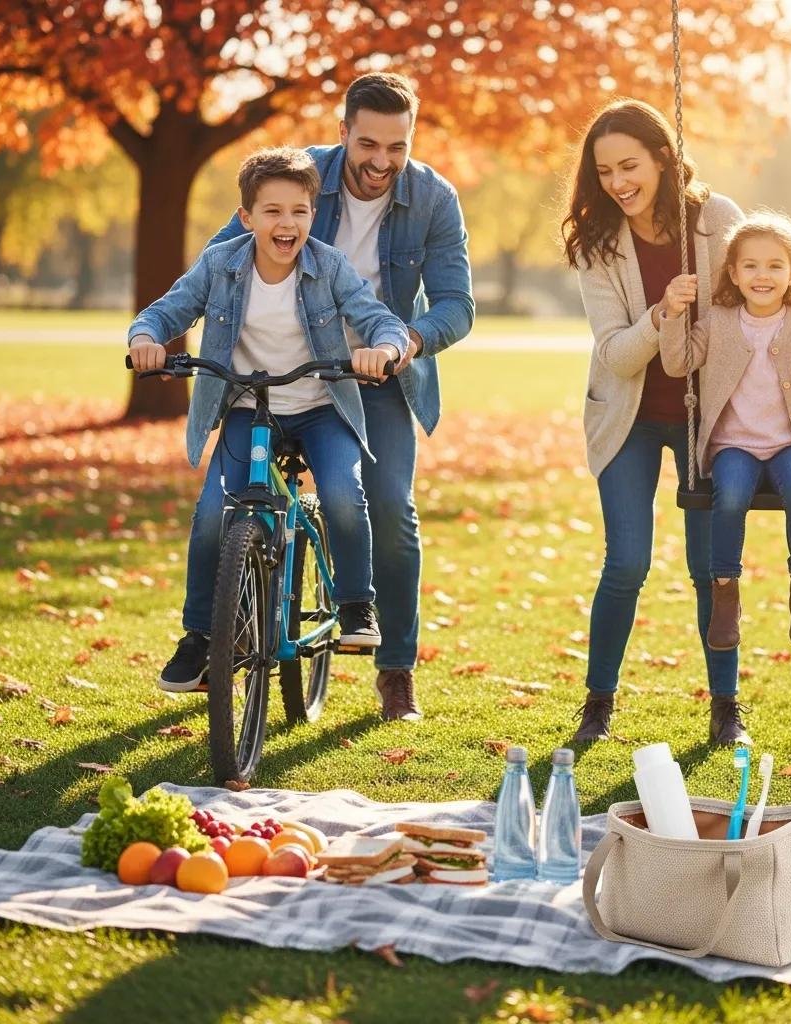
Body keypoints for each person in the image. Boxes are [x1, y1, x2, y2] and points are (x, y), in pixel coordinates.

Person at [205, 72, 474, 722]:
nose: (382, 161)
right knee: (227, 500)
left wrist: (402, 341)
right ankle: (220, 636)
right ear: (344, 132)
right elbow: (218, 256)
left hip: (376, 376)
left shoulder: (433, 198)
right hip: (286, 369)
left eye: (397, 146)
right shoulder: (297, 178)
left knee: (389, 507)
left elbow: (457, 306)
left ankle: (396, 671)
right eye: (369, 144)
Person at [127, 147, 410, 691]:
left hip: (320, 409)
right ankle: (199, 637)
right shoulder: (220, 264)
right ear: (247, 218)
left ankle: (355, 604)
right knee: (214, 512)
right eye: (273, 211)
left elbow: (377, 319)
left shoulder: (329, 266)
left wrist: (386, 348)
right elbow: (167, 310)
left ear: (312, 213)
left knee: (345, 494)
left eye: (299, 211)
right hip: (246, 409)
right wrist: (145, 339)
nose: (287, 223)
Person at [560, 98, 749, 747]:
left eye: (630, 166)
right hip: (629, 417)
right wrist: (663, 314)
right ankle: (597, 705)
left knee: (711, 568)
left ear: (664, 159)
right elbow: (614, 351)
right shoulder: (597, 243)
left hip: (708, 421)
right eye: (606, 171)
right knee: (627, 561)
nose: (618, 183)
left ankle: (727, 709)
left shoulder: (717, 219)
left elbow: (753, 308)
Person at [658, 210, 791, 650]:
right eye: (751, 266)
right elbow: (677, 362)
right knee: (731, 495)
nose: (763, 275)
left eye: (775, 266)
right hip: (733, 445)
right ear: (734, 274)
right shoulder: (716, 322)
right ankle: (725, 593)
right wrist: (672, 312)